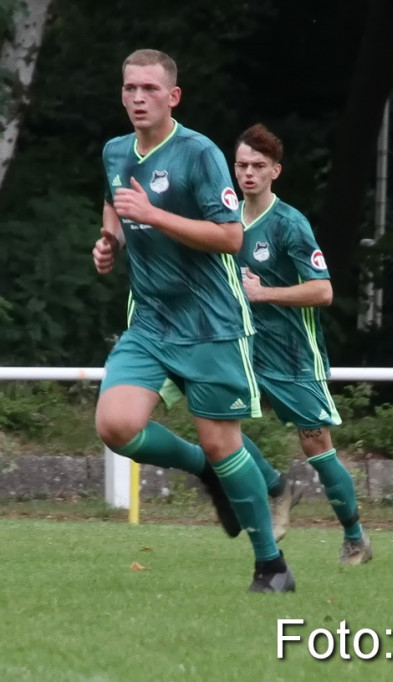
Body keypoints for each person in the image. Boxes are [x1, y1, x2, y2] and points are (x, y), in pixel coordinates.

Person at [91, 49, 294, 593]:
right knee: (116, 425)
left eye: (149, 89)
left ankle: (271, 566)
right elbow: (115, 203)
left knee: (223, 441)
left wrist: (154, 215)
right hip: (151, 319)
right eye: (130, 87)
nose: (137, 97)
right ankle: (207, 472)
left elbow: (231, 236)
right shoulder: (115, 151)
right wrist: (109, 239)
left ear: (172, 96)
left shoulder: (198, 152)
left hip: (209, 320)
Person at [233, 123, 372, 564]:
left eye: (258, 166)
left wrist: (265, 293)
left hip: (292, 353)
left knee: (316, 446)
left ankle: (354, 536)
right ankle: (277, 488)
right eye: (241, 165)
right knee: (213, 422)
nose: (248, 173)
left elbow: (323, 291)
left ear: (276, 171)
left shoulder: (290, 224)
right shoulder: (223, 219)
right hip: (240, 346)